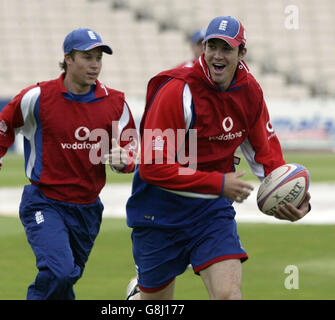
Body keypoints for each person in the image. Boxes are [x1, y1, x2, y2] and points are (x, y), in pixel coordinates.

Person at [125, 16, 311, 300]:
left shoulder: (250, 92)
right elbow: (152, 167)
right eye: (212, 46)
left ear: (241, 53)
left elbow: (267, 156)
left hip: (211, 213)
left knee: (228, 296)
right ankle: (136, 295)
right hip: (158, 213)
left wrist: (296, 199)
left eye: (226, 48)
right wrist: (217, 183)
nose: (217, 55)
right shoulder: (178, 91)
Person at [0, 28, 138, 300]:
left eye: (99, 58)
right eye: (87, 57)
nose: (95, 64)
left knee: (63, 283)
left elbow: (131, 146)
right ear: (68, 58)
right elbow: (1, 129)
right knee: (60, 272)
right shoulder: (37, 97)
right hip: (44, 202)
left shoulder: (116, 102)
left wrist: (125, 160)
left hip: (88, 210)